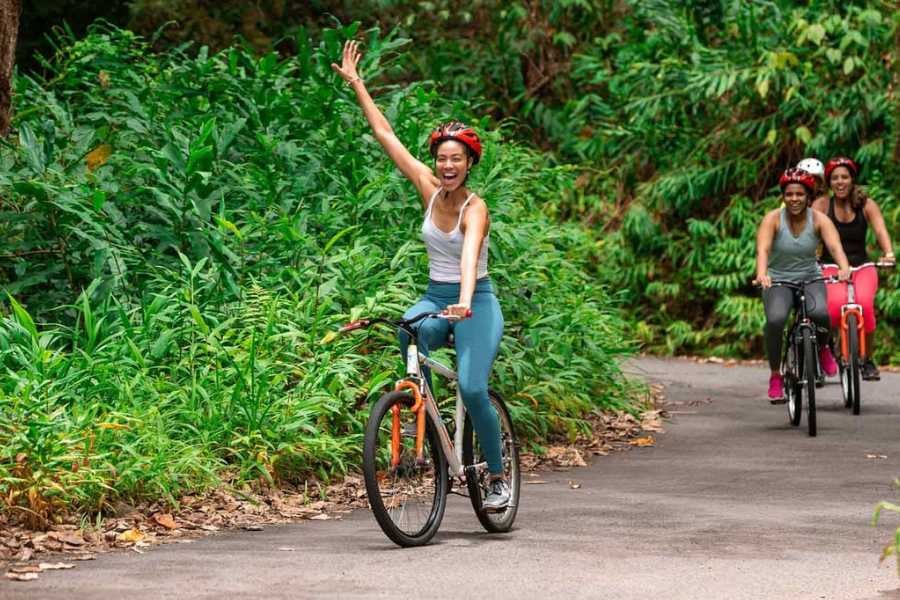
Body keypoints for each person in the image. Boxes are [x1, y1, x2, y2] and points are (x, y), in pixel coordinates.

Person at [331, 41, 510, 510]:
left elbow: (469, 259)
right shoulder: (428, 190)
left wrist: (466, 302)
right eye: (442, 158)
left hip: (477, 302)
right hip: (435, 296)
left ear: (470, 163)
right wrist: (359, 85)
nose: (447, 166)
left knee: (472, 387)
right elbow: (386, 136)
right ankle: (425, 425)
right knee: (407, 334)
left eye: (457, 159)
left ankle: (495, 475)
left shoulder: (477, 208)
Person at [755, 168, 850, 401]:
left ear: (808, 196)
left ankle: (823, 348)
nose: (794, 199)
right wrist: (762, 274)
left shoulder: (819, 219)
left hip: (810, 277)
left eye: (799, 194)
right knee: (776, 320)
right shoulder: (773, 219)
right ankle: (776, 375)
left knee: (820, 314)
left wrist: (844, 267)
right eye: (789, 194)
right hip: (779, 279)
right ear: (783, 197)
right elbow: (763, 249)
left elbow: (835, 247)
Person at [812, 157, 895, 380]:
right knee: (830, 309)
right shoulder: (821, 205)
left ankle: (867, 358)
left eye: (845, 177)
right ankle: (826, 349)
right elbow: (809, 234)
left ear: (852, 179)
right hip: (831, 267)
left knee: (865, 307)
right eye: (835, 178)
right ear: (829, 182)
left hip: (862, 266)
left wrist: (888, 253)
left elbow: (880, 231)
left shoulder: (866, 204)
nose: (840, 182)